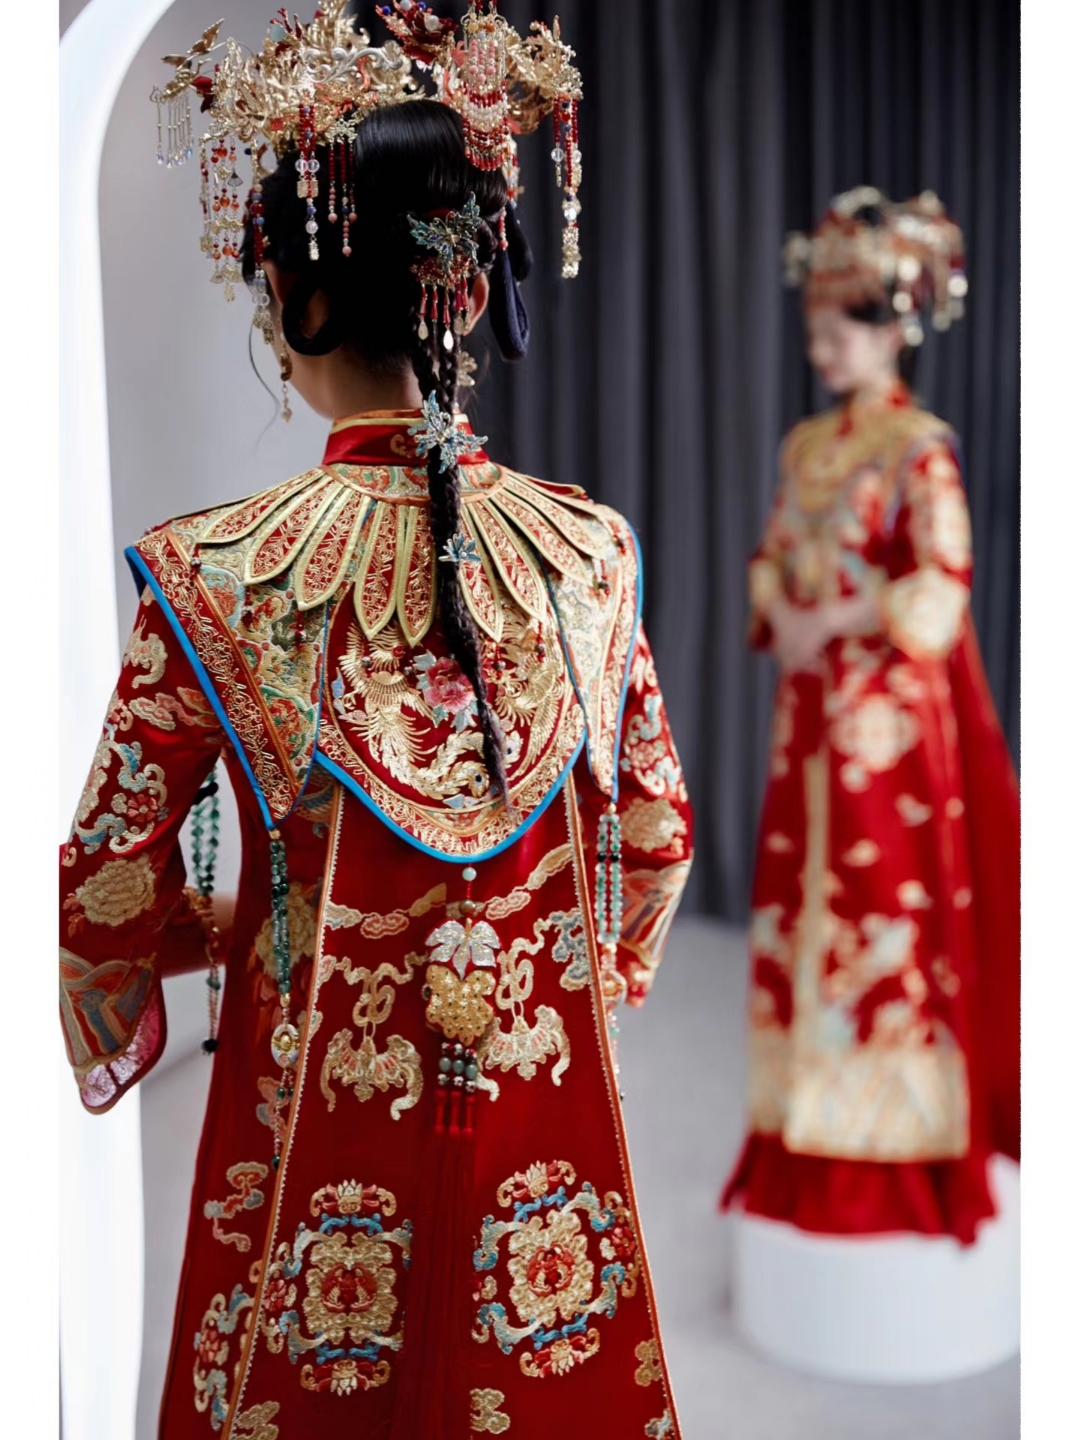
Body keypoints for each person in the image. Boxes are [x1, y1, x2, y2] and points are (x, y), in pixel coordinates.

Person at [59, 6, 691, 1437]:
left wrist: (223, 935)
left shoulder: (219, 571)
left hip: (308, 1104)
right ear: (467, 293)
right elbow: (655, 839)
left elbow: (102, 883)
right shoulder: (589, 554)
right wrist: (560, 978)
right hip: (533, 1101)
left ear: (294, 302)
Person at [720, 187, 1019, 1247]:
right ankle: (801, 1125)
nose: (822, 348)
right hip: (809, 713)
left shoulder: (918, 448)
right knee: (802, 899)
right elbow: (769, 556)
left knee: (881, 901)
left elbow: (941, 583)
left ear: (893, 330)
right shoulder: (807, 447)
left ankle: (896, 1146)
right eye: (815, 330)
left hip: (884, 723)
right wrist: (783, 615)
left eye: (838, 331)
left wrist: (836, 617)